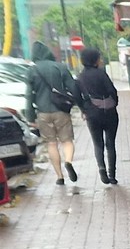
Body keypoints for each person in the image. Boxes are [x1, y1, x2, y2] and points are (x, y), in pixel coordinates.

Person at [25, 41, 79, 186]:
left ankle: (60, 177)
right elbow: (73, 87)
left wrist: (30, 117)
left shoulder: (32, 71)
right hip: (61, 110)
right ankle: (68, 161)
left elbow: (29, 96)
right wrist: (79, 104)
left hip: (42, 112)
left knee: (51, 144)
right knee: (67, 141)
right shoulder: (60, 67)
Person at [76, 48, 121, 185]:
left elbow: (76, 96)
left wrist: (84, 109)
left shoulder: (80, 77)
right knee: (110, 143)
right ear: (95, 60)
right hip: (109, 112)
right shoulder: (101, 74)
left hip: (92, 113)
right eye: (99, 58)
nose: (100, 60)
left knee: (98, 143)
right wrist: (114, 103)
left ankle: (101, 169)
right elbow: (111, 90)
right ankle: (112, 174)